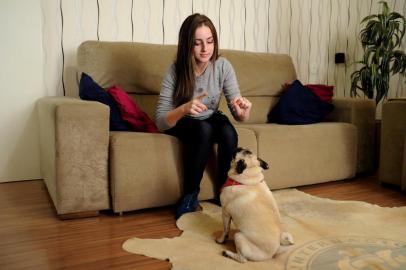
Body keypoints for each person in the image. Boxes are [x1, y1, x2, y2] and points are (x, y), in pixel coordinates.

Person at [155, 13, 252, 219]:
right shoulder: (175, 71)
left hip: (210, 115)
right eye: (197, 43)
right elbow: (161, 120)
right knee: (203, 129)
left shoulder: (223, 66)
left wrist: (244, 112)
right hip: (183, 119)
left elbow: (237, 110)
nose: (205, 49)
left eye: (210, 42)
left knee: (228, 131)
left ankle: (224, 190)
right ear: (187, 45)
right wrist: (184, 108)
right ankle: (190, 195)